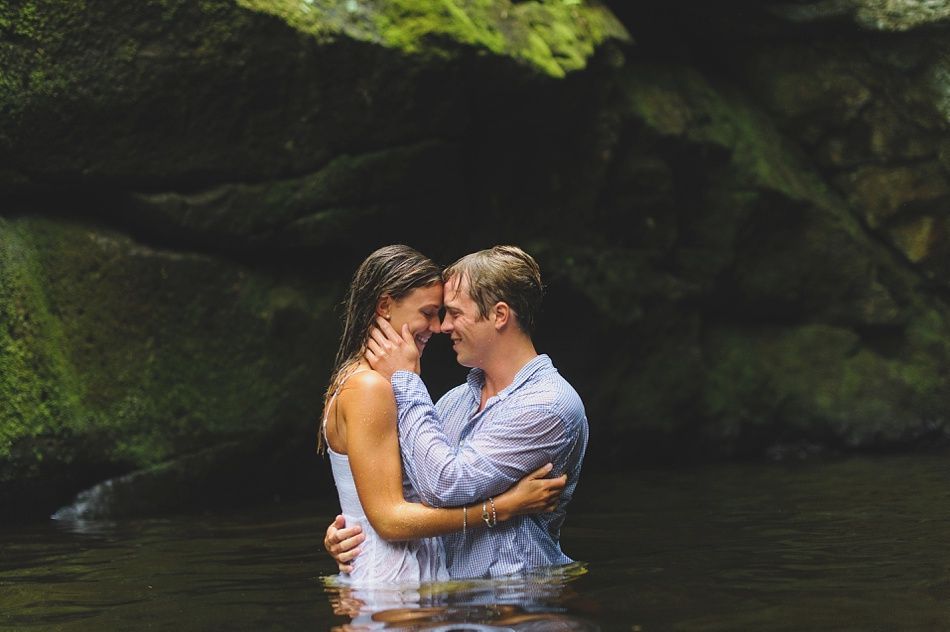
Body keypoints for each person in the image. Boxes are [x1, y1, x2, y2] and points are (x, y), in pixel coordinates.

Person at [326, 245, 589, 579]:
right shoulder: (453, 402)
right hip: (452, 601)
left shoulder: (548, 405)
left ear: (499, 315)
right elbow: (402, 495)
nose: (442, 327)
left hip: (516, 600)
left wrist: (405, 380)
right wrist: (355, 532)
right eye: (437, 313)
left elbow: (445, 484)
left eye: (453, 313)